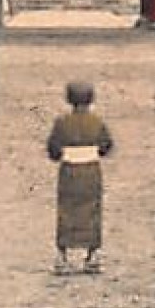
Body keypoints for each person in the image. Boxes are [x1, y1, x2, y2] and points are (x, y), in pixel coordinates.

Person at [45, 80, 114, 275]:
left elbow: (53, 149)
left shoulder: (62, 122)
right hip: (91, 170)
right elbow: (106, 146)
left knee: (66, 210)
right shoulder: (97, 122)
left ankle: (62, 256)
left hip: (69, 170)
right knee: (92, 210)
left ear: (68, 99)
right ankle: (92, 255)